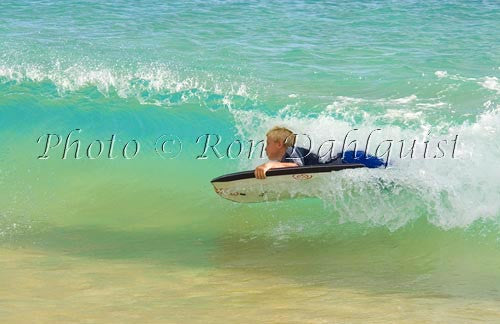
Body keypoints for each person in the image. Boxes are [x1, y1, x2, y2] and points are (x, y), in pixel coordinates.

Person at [254, 126, 385, 179]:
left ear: (279, 144)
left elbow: (296, 166)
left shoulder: (291, 151)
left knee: (390, 172)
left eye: (267, 144)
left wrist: (268, 165)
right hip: (349, 159)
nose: (265, 148)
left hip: (352, 159)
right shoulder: (285, 157)